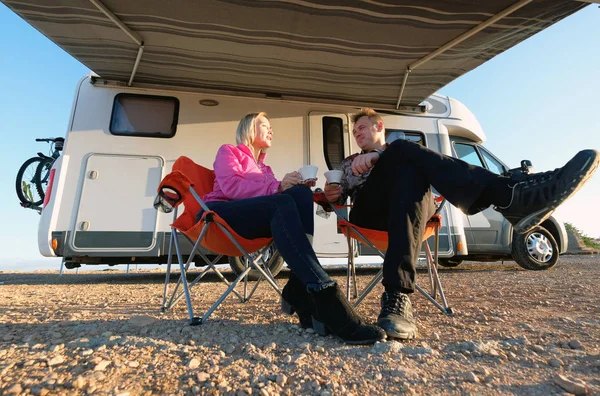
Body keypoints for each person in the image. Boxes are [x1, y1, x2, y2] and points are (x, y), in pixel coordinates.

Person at [323, 108, 599, 340]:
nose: (357, 134)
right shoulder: (349, 163)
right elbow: (331, 200)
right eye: (354, 131)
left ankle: (397, 297)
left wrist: (382, 154)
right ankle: (511, 195)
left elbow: (401, 161)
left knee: (406, 161)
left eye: (361, 128)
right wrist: (329, 196)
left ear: (378, 126)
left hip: (408, 211)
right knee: (404, 150)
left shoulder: (402, 152)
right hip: (369, 215)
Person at [200, 112, 386, 345]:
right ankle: (324, 295)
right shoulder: (229, 151)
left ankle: (298, 286)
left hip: (251, 218)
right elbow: (231, 187)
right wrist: (278, 186)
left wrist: (293, 185)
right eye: (265, 125)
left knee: (300, 193)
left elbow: (270, 193)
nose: (271, 130)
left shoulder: (264, 168)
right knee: (283, 200)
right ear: (249, 129)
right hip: (220, 214)